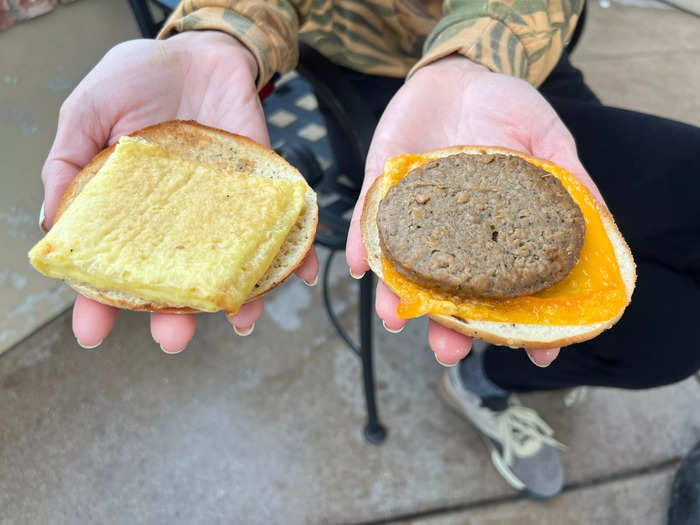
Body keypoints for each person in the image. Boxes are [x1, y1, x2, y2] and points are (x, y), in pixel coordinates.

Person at [39, 0, 700, 499]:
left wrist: (482, 46)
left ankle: (516, 366)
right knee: (672, 335)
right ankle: (487, 378)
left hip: (517, 42)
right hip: (374, 75)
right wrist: (223, 28)